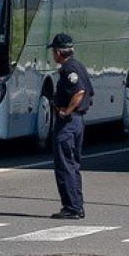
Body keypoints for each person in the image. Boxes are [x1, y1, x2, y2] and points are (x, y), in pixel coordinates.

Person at [48, 33, 93, 220]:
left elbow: (80, 92)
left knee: (65, 165)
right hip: (76, 122)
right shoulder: (78, 66)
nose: (53, 54)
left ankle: (72, 207)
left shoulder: (69, 69)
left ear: (58, 52)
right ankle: (75, 206)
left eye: (53, 51)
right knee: (72, 165)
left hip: (68, 122)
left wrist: (67, 110)